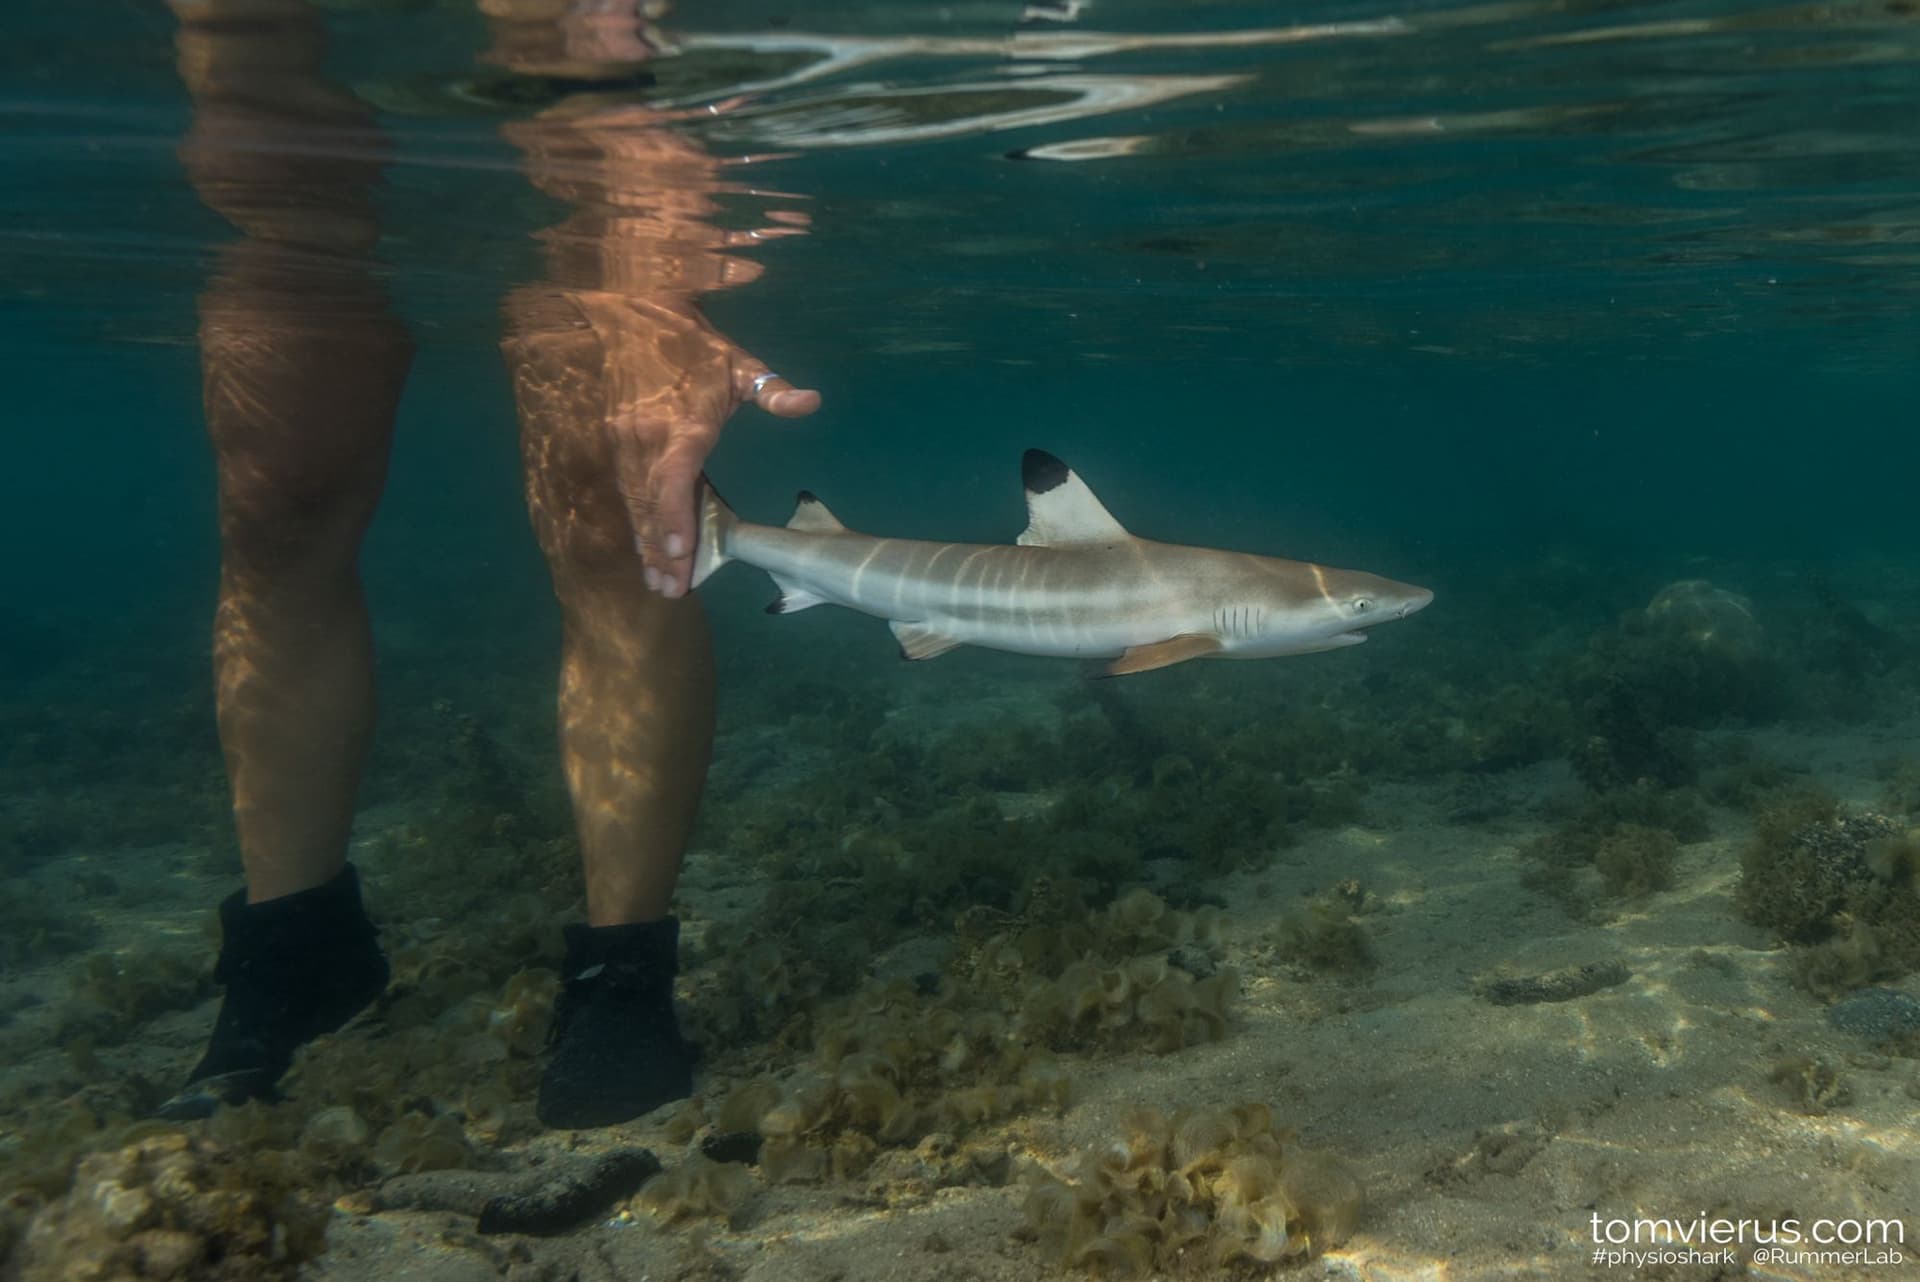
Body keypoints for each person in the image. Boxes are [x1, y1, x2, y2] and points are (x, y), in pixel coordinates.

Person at [160, 0, 819, 1129]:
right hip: (292, 148)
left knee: (617, 519)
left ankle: (623, 969)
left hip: (593, 135)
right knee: (276, 503)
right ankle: (294, 944)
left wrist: (656, 266)